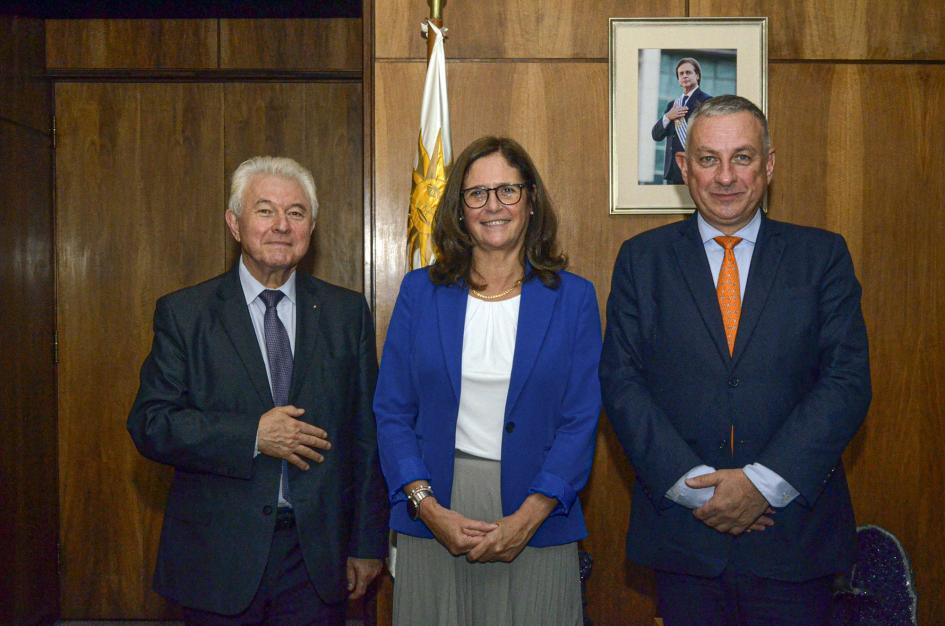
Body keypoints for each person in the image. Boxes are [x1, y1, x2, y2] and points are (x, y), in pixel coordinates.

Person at [601, 95, 871, 625]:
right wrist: (697, 488)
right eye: (708, 159)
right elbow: (622, 382)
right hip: (686, 538)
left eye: (743, 158)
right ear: (684, 167)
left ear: (769, 166)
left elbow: (846, 382)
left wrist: (761, 484)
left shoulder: (822, 257)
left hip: (794, 540)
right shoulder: (642, 261)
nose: (726, 177)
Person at [127, 156, 388, 624]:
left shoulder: (347, 314)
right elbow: (151, 424)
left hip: (316, 561)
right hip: (217, 560)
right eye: (265, 211)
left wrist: (367, 544)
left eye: (297, 212)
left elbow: (366, 438)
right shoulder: (186, 314)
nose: (281, 226)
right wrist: (252, 435)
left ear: (312, 226)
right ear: (234, 223)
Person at [374, 136, 602, 625]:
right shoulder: (420, 292)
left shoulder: (574, 298)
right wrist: (426, 506)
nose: (492, 206)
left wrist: (528, 517)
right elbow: (392, 411)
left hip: (537, 514)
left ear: (531, 200)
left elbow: (580, 421)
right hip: (435, 512)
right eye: (477, 194)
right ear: (458, 208)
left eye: (508, 191)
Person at [651, 57, 711, 184]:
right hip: (673, 171)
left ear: (697, 76)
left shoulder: (707, 102)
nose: (684, 76)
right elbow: (656, 135)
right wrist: (668, 117)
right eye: (681, 74)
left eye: (688, 72)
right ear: (678, 80)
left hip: (695, 169)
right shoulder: (672, 105)